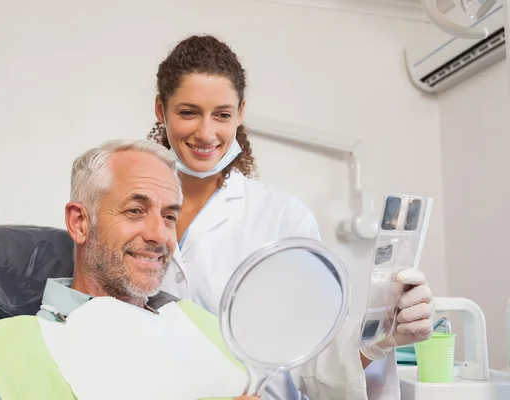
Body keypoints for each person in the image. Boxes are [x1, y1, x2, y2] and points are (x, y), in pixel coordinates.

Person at [147, 34, 435, 400]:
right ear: (161, 110)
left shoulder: (281, 218)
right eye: (188, 112)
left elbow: (313, 357)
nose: (206, 132)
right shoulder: (131, 212)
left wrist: (379, 338)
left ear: (241, 113)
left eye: (222, 114)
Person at [0, 139, 260, 400]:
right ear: (80, 222)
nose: (159, 234)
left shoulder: (209, 330)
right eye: (135, 210)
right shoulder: (10, 356)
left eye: (169, 216)